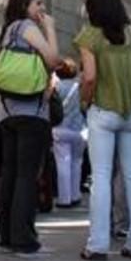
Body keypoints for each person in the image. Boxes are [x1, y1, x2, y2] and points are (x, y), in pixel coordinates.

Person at [76, 0, 131, 261]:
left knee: (102, 177)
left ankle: (97, 244)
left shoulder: (90, 36)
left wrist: (85, 100)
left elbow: (90, 77)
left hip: (103, 111)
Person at [0, 0, 64, 257]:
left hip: (8, 111)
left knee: (10, 172)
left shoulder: (9, 30)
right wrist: (51, 29)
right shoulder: (28, 27)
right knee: (27, 174)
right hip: (31, 111)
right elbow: (53, 60)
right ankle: (24, 238)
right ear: (25, 5)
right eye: (38, 3)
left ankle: (7, 235)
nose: (42, 9)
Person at [51, 71, 86, 209]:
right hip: (79, 128)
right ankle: (75, 195)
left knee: (62, 163)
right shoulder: (80, 88)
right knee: (77, 162)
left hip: (60, 128)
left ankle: (64, 198)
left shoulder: (57, 87)